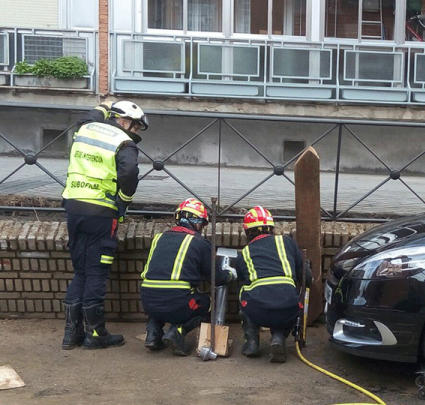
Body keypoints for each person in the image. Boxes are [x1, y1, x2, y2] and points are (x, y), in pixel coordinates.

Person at [61, 100, 148, 350]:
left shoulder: (85, 128)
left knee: (80, 272)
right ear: (123, 121)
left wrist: (104, 103)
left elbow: (91, 115)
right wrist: (123, 201)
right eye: (135, 126)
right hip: (101, 212)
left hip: (74, 207)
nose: (136, 132)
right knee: (96, 272)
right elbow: (129, 173)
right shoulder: (124, 143)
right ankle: (95, 334)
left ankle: (71, 334)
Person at [140, 198, 236, 356]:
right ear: (197, 223)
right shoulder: (200, 243)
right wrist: (229, 275)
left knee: (158, 298)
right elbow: (215, 277)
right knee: (206, 303)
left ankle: (152, 333)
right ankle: (177, 332)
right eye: (203, 224)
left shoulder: (158, 238)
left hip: (147, 302)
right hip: (178, 304)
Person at [235, 206, 312, 363]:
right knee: (287, 294)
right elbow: (307, 278)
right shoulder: (287, 242)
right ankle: (278, 337)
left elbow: (241, 278)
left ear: (247, 232)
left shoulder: (244, 253)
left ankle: (252, 341)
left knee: (243, 289)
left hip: (258, 310)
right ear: (271, 227)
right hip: (288, 309)